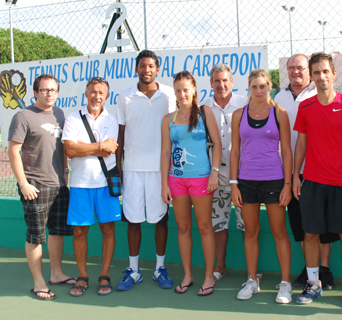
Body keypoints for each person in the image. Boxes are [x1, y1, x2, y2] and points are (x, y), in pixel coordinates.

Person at [293, 53, 342, 309]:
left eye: (325, 71)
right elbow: (301, 143)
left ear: (334, 74)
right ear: (311, 77)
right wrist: (295, 177)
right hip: (312, 182)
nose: (321, 77)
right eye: (316, 73)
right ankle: (313, 284)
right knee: (311, 234)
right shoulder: (305, 107)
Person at [274, 54, 339, 290]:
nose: (295, 72)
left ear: (309, 72)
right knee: (301, 225)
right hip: (292, 173)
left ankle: (325, 269)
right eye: (291, 68)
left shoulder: (319, 93)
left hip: (319, 171)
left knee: (324, 226)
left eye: (300, 68)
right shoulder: (279, 98)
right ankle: (308, 268)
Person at [8, 74, 74, 300]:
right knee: (36, 236)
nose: (49, 94)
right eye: (45, 90)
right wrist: (23, 183)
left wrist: (65, 173)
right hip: (34, 186)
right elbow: (13, 151)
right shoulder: (23, 116)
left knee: (57, 232)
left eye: (53, 90)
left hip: (59, 185)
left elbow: (61, 148)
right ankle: (39, 283)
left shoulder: (59, 114)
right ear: (35, 93)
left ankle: (56, 274)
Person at [230, 68, 293, 303]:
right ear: (249, 87)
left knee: (279, 232)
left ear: (270, 87)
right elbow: (234, 151)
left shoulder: (280, 113)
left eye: (263, 86)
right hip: (246, 182)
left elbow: (286, 151)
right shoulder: (239, 114)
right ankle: (252, 280)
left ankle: (285, 284)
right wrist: (234, 184)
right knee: (250, 231)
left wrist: (287, 184)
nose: (258, 90)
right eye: (254, 86)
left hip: (274, 181)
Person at [115, 50, 176, 291]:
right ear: (136, 68)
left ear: (157, 69)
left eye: (151, 66)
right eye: (142, 65)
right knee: (133, 219)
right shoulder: (124, 97)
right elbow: (121, 133)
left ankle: (160, 267)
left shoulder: (169, 94)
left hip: (160, 170)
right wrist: (118, 166)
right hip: (131, 169)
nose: (147, 70)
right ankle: (134, 270)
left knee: (160, 219)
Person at [160, 70, 222, 296]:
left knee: (205, 228)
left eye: (186, 89)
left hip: (202, 180)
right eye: (178, 90)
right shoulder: (169, 119)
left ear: (194, 89)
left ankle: (208, 277)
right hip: (177, 181)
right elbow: (166, 152)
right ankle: (187, 275)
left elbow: (217, 145)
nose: (182, 94)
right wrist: (164, 183)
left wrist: (214, 173)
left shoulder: (205, 112)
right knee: (184, 228)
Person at [62, 77, 121, 296]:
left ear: (107, 96)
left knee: (108, 229)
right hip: (79, 185)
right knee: (79, 231)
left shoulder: (112, 119)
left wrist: (83, 147)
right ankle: (82, 276)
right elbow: (70, 150)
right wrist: (98, 145)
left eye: (101, 93)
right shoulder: (73, 118)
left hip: (105, 184)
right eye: (93, 92)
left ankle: (104, 275)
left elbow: (109, 150)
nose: (97, 96)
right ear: (86, 94)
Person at [203, 64, 246, 281]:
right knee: (218, 222)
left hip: (243, 176)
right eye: (217, 81)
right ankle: (220, 266)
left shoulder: (245, 104)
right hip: (216, 176)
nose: (221, 85)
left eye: (225, 80)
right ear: (210, 83)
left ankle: (251, 270)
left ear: (232, 81)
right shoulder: (204, 109)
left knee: (248, 224)